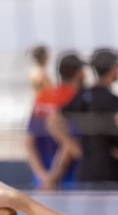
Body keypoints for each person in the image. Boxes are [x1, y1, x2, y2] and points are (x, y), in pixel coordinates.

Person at [49, 48, 118, 190]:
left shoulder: (82, 95)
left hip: (84, 170)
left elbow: (52, 121)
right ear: (112, 69)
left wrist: (72, 145)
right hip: (109, 171)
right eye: (117, 66)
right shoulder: (113, 100)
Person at [25, 51, 84, 190]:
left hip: (41, 182)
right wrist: (53, 177)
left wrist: (41, 176)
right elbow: (69, 144)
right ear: (78, 73)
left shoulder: (42, 97)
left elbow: (28, 143)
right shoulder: (76, 99)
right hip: (68, 182)